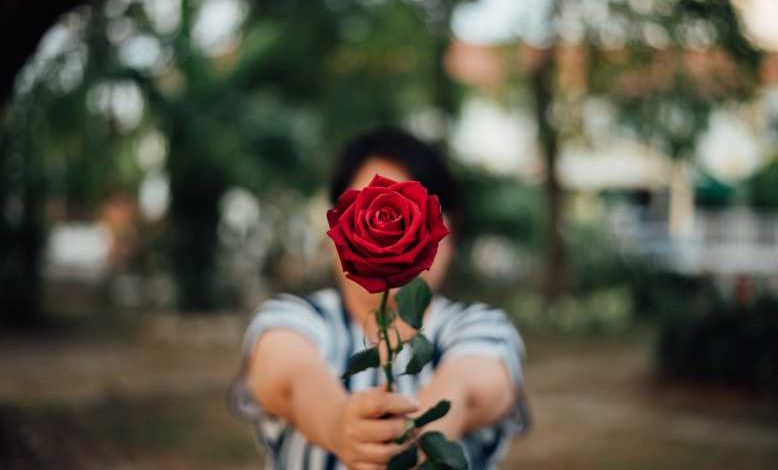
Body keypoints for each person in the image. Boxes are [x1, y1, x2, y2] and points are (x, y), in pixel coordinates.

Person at [230, 126, 529, 470]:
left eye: (414, 209)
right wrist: (336, 423)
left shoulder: (478, 326)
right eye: (361, 208)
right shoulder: (296, 317)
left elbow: (470, 388)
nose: (391, 229)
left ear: (449, 228)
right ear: (337, 227)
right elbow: (289, 378)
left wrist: (414, 435)